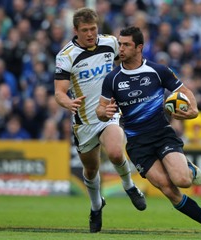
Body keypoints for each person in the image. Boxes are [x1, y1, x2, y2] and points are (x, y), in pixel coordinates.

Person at [96, 26, 201, 240]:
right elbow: (100, 110)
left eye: (126, 44)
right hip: (138, 145)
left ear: (139, 47)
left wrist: (192, 110)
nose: (121, 48)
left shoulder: (158, 70)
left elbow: (184, 91)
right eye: (120, 44)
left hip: (162, 134)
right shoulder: (112, 79)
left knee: (183, 181)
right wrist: (104, 112)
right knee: (168, 189)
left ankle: (189, 170)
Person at [53, 8, 146, 233]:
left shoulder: (111, 43)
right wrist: (67, 103)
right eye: (85, 30)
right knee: (91, 169)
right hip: (83, 120)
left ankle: (130, 186)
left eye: (93, 29)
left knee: (115, 152)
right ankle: (96, 205)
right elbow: (59, 92)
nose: (90, 34)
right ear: (75, 31)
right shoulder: (66, 56)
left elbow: (131, 59)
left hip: (108, 111)